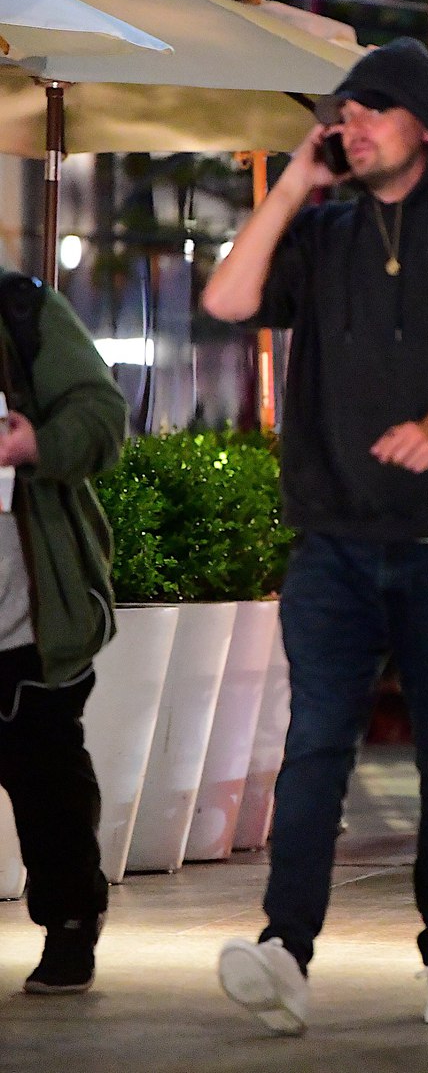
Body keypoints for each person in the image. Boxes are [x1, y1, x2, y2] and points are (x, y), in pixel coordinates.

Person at [202, 37, 428, 1032]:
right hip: (333, 538)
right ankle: (284, 950)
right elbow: (227, 300)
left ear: (422, 128)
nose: (350, 127)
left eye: (369, 112)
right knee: (314, 745)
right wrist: (292, 187)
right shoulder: (322, 234)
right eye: (340, 116)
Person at [0, 269, 127, 993]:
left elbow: (101, 415)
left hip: (25, 618)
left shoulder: (20, 311)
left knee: (48, 784)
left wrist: (36, 444)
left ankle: (71, 921)